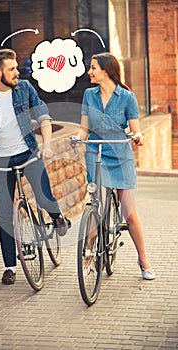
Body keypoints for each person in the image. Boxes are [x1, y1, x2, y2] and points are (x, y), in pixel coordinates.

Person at [0, 48, 68, 285]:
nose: (17, 73)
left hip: (29, 153)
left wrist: (47, 145)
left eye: (17, 68)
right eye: (12, 69)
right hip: (1, 160)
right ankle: (10, 266)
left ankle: (57, 216)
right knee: (4, 213)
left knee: (43, 197)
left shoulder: (25, 88)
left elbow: (43, 117)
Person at [76, 52, 155, 280]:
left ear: (106, 71)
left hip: (121, 155)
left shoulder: (127, 97)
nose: (89, 72)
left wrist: (137, 136)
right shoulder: (88, 95)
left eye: (92, 68)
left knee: (129, 213)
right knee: (94, 203)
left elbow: (135, 128)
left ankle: (143, 259)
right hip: (96, 151)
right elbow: (84, 128)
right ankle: (89, 250)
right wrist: (78, 138)